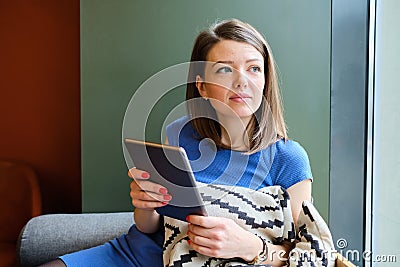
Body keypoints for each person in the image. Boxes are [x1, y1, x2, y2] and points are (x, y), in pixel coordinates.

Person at [41, 18, 312, 267]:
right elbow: (150, 227)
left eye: (254, 68)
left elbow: (308, 253)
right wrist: (145, 205)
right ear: (201, 87)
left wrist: (251, 247)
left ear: (265, 82)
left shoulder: (288, 159)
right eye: (225, 70)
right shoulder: (179, 133)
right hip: (143, 253)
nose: (242, 81)